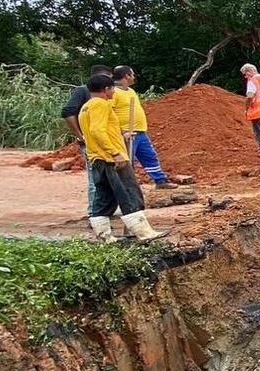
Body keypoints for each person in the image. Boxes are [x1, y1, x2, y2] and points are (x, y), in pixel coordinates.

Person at [78, 73, 165, 242]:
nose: (115, 93)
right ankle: (143, 233)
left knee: (104, 198)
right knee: (129, 193)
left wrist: (122, 135)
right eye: (112, 89)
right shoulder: (100, 105)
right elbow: (97, 131)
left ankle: (104, 236)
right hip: (110, 159)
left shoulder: (86, 107)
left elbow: (98, 131)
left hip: (97, 158)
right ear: (106, 89)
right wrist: (115, 152)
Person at [112, 66, 178, 190]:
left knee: (150, 156)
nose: (134, 77)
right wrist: (121, 132)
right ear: (127, 76)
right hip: (127, 134)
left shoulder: (130, 91)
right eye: (132, 74)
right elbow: (110, 114)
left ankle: (160, 181)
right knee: (127, 162)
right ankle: (127, 187)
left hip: (140, 132)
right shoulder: (114, 93)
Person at [62, 63, 112, 216]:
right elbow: (68, 112)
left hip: (104, 142)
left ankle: (104, 211)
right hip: (93, 143)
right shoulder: (84, 92)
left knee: (105, 179)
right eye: (108, 79)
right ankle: (95, 213)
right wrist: (80, 136)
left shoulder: (102, 99)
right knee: (96, 179)